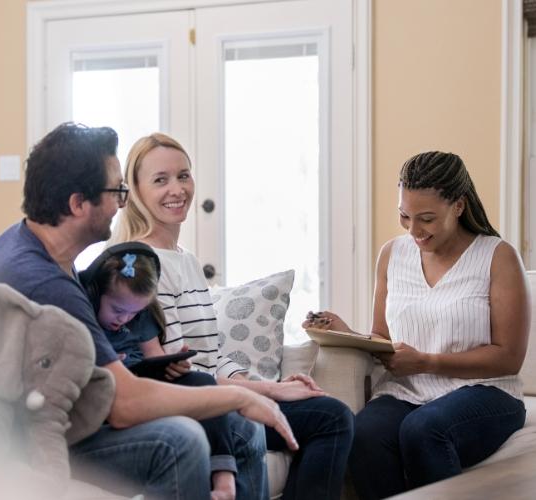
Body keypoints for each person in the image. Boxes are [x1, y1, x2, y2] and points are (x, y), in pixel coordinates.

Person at [0, 122, 298, 500]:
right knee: (181, 440)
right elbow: (124, 405)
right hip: (38, 437)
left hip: (61, 415)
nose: (122, 203)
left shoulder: (28, 244)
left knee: (240, 428)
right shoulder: (46, 283)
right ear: (78, 203)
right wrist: (241, 397)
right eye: (117, 191)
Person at [110, 132, 355, 500]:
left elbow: (210, 351)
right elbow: (184, 374)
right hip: (192, 404)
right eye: (160, 180)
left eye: (183, 175)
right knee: (270, 424)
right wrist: (271, 389)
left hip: (213, 392)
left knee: (333, 416)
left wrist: (254, 380)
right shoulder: (144, 266)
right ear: (137, 192)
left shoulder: (187, 260)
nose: (177, 189)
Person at [305, 151, 530, 499]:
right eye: (404, 216)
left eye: (426, 218)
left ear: (458, 206)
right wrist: (345, 332)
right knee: (363, 432)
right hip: (406, 390)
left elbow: (508, 358)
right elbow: (383, 337)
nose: (414, 231)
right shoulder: (392, 254)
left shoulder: (497, 256)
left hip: (486, 390)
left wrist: (427, 362)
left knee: (423, 429)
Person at [79, 241, 250, 500]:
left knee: (203, 382)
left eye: (133, 314)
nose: (124, 319)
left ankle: (224, 477)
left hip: (144, 379)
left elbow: (153, 356)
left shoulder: (140, 315)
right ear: (96, 292)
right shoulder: (84, 315)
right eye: (117, 310)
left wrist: (171, 364)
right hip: (112, 388)